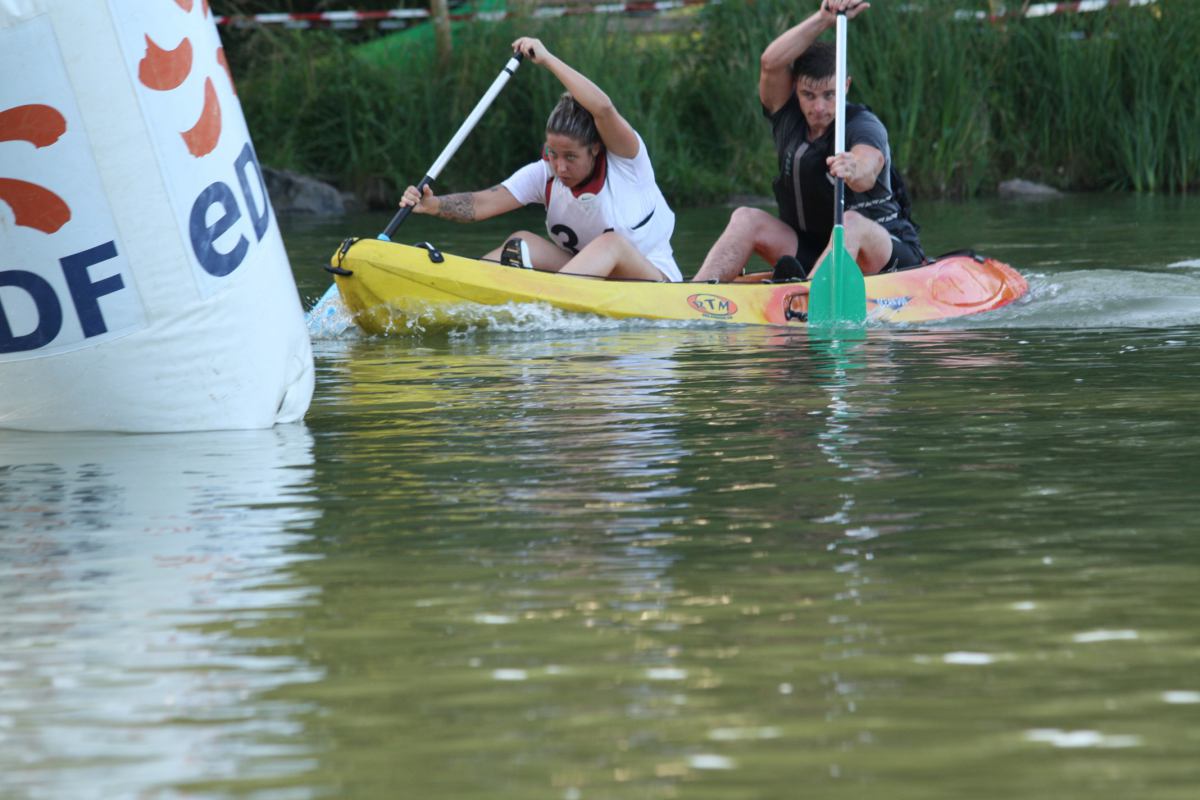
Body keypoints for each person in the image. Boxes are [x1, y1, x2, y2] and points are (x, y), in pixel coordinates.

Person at [398, 37, 681, 282]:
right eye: (552, 154)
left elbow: (604, 109)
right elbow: (481, 204)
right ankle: (462, 291)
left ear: (595, 149)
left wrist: (547, 60)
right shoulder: (544, 175)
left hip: (654, 284)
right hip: (587, 283)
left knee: (610, 244)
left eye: (571, 157)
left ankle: (548, 303)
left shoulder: (626, 163)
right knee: (521, 242)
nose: (560, 167)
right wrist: (433, 205)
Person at [692, 0, 924, 283]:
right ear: (795, 89)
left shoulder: (862, 124)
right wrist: (824, 18)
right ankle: (695, 294)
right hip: (813, 251)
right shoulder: (787, 117)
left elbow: (869, 165)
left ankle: (806, 295)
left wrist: (853, 168)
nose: (819, 108)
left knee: (850, 224)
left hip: (884, 253)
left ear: (846, 86)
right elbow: (770, 63)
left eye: (829, 95)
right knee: (745, 218)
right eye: (808, 96)